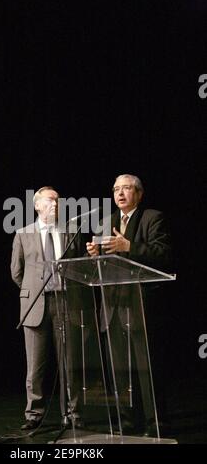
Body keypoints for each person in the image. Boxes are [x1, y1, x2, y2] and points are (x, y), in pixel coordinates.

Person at [86, 174, 173, 436]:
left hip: (141, 306)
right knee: (120, 371)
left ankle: (155, 424)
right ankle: (127, 423)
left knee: (146, 371)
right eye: (115, 189)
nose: (120, 193)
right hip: (113, 306)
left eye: (126, 188)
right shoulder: (105, 222)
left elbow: (164, 255)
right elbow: (102, 265)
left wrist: (129, 246)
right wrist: (95, 254)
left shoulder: (152, 218)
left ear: (139, 193)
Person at [11, 186, 86, 430]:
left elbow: (79, 267)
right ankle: (33, 414)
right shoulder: (23, 233)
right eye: (50, 201)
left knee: (70, 363)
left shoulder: (71, 231)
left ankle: (73, 413)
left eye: (57, 201)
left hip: (66, 302)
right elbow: (17, 272)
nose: (55, 204)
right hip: (36, 305)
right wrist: (36, 290)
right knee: (35, 366)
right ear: (37, 205)